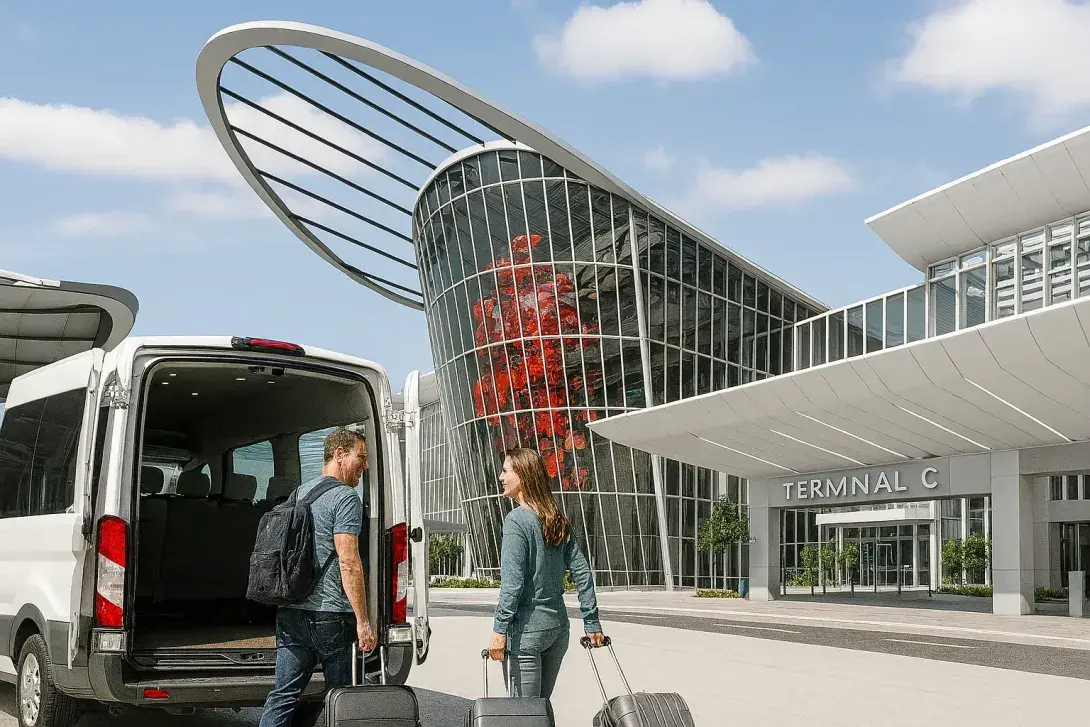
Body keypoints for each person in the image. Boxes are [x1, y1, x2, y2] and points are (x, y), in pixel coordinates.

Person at [259, 428, 379, 727]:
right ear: (340, 454)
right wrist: (363, 622)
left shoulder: (300, 493)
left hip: (291, 613)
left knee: (283, 695)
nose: (365, 466)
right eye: (361, 457)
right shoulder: (346, 497)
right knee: (339, 698)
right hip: (331, 617)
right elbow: (348, 561)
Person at [487, 447, 606, 699]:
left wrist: (499, 630)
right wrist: (591, 621)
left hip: (527, 634)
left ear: (523, 475)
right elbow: (582, 572)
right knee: (541, 708)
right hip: (557, 630)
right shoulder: (555, 518)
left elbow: (512, 584)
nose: (500, 477)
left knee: (527, 714)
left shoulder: (516, 521)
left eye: (506, 471)